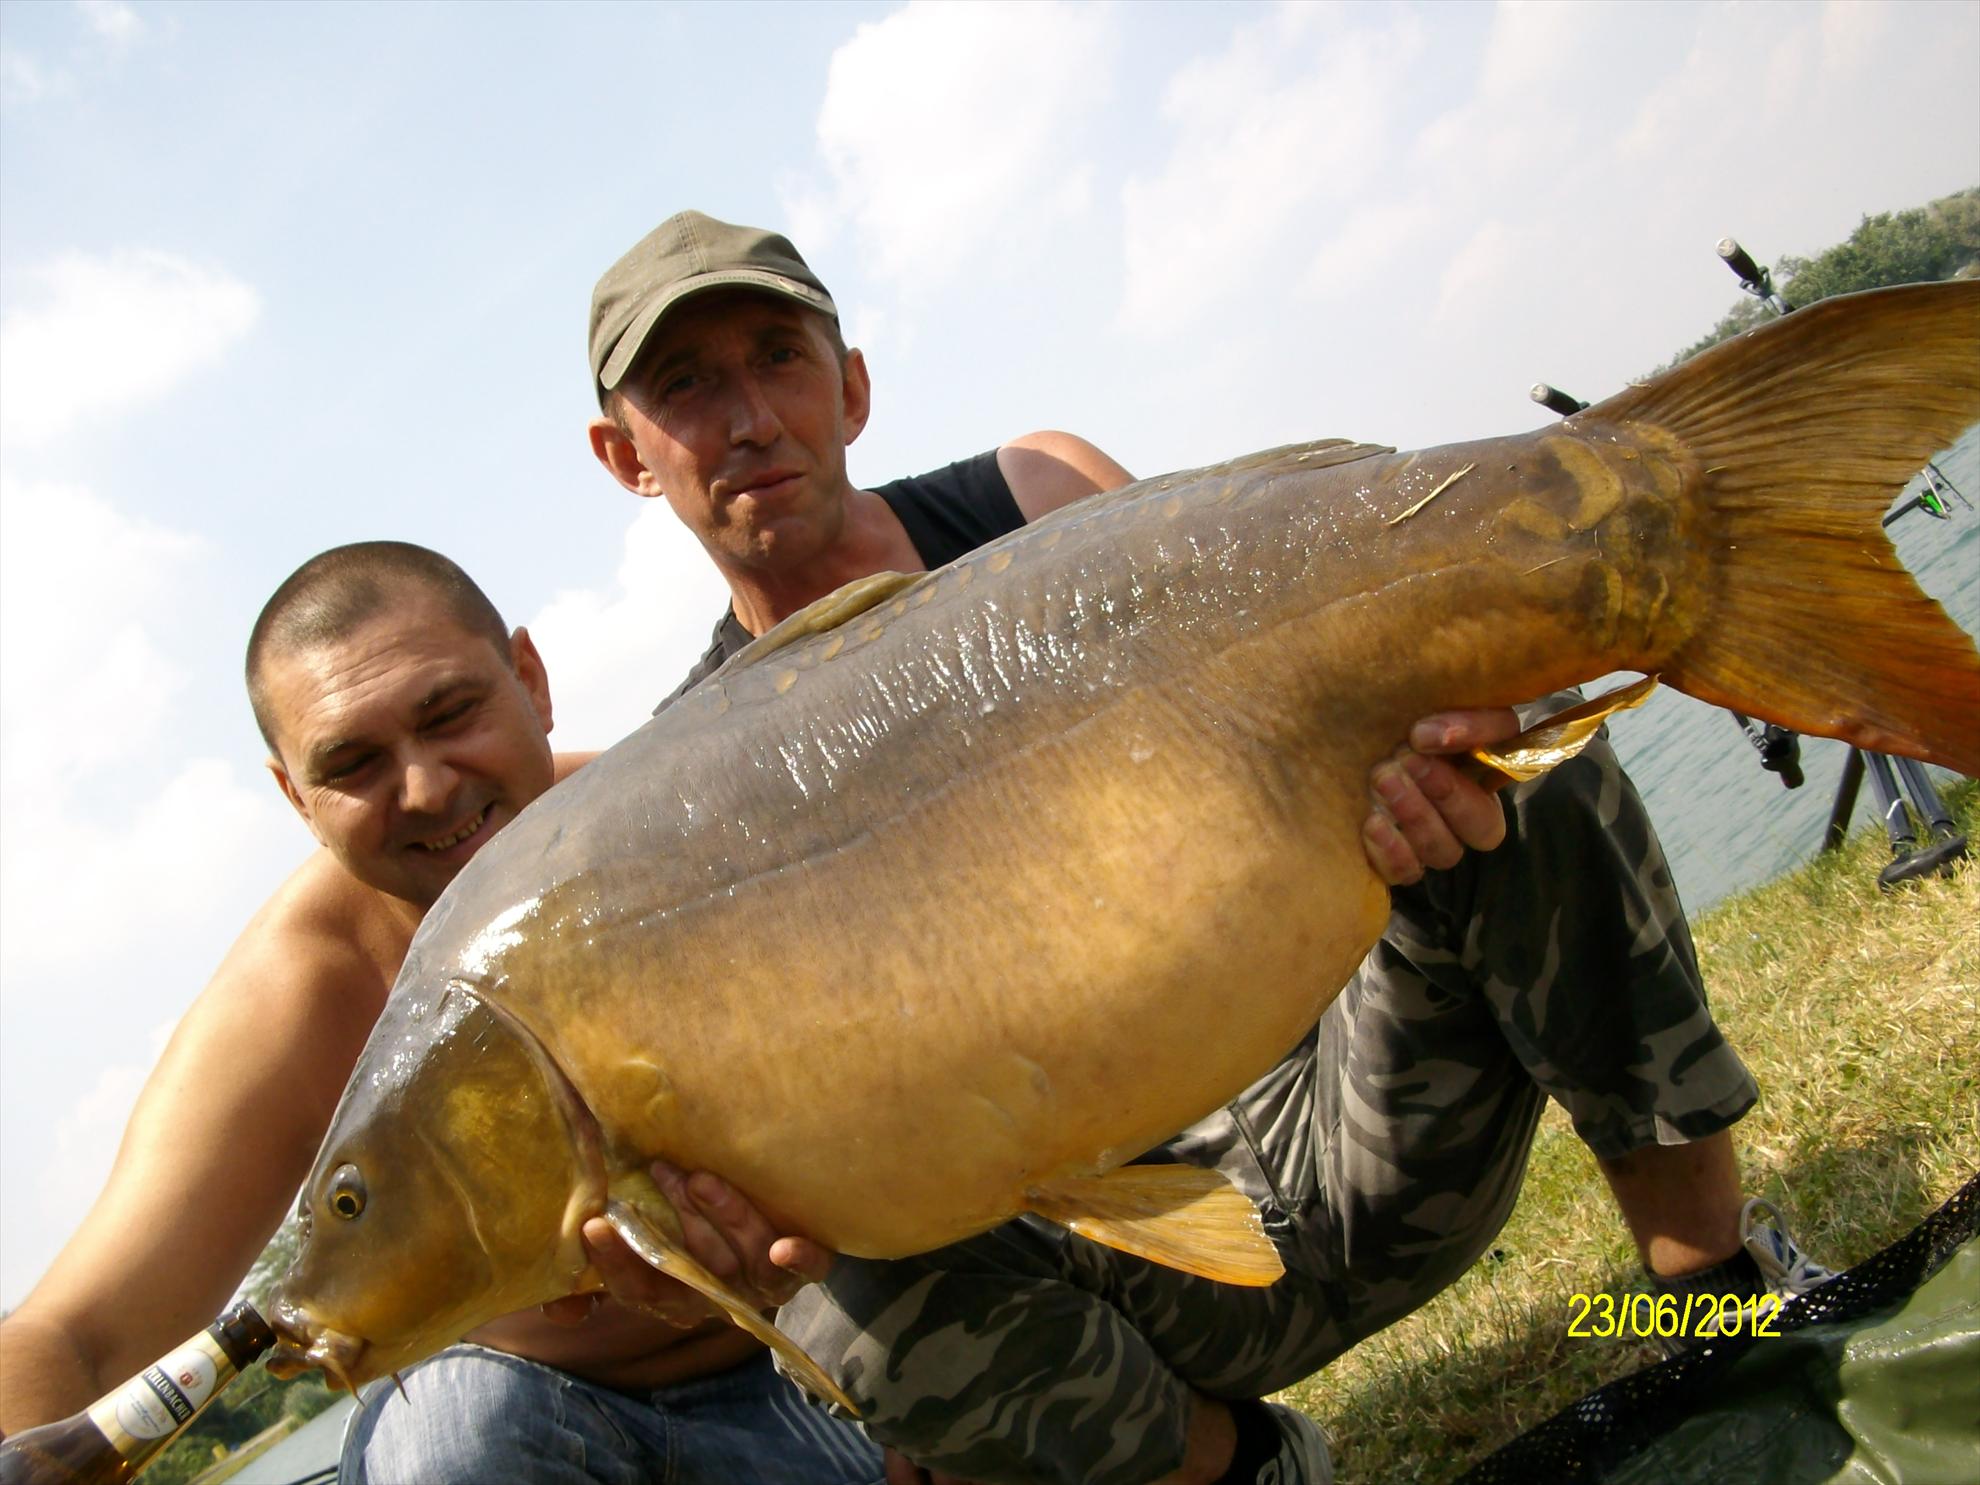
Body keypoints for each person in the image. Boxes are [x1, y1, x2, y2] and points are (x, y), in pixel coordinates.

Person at [582, 212, 1834, 1485]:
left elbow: (1314, 690)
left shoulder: (1033, 499)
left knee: (1517, 773)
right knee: (836, 1290)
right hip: (1136, 1284)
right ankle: (1248, 1470)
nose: (745, 417)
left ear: (849, 386)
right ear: (624, 455)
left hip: (1360, 1095)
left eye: (777, 357)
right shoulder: (682, 805)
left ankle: (1708, 1302)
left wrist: (1408, 770)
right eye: (684, 387)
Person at [0, 542, 886, 1485]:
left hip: (812, 1373)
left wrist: (945, 1398)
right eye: (353, 764)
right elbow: (76, 1337)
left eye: (450, 714)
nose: (425, 788)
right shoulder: (302, 996)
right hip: (524, 1427)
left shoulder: (702, 825)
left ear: (532, 682)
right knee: (456, 1433)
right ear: (296, 797)